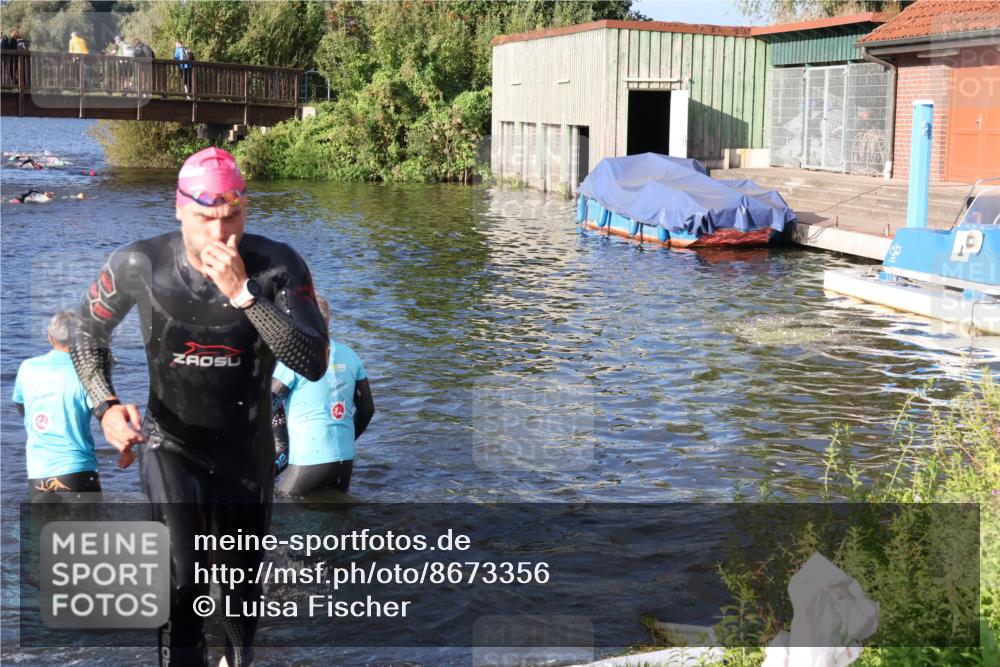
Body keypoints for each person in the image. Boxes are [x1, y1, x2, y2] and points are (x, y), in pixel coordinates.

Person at [70, 146, 328, 667]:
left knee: (237, 602)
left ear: (246, 209)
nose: (220, 234)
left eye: (232, 216)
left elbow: (313, 359)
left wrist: (244, 295)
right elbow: (85, 330)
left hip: (244, 454)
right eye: (206, 219)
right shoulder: (138, 264)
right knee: (179, 588)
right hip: (171, 446)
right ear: (179, 209)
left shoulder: (276, 266)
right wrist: (106, 405)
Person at [272, 296, 374, 496]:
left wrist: (279, 447)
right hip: (344, 459)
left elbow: (269, 400)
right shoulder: (350, 355)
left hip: (307, 458)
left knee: (285, 505)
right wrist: (346, 439)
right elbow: (367, 409)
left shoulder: (295, 356)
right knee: (336, 520)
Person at [12, 311, 106, 499]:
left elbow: (21, 406)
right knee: (87, 528)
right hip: (78, 471)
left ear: (50, 337)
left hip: (39, 475)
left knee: (43, 528)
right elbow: (106, 416)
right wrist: (126, 449)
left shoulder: (27, 368)